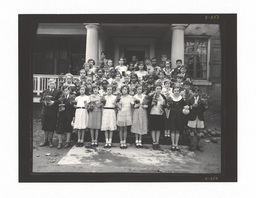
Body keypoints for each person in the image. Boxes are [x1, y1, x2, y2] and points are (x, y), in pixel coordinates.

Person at [39, 79, 61, 148]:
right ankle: (45, 140)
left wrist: (53, 102)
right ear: (48, 84)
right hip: (45, 111)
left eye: (54, 83)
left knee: (51, 126)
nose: (52, 85)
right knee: (45, 126)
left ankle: (50, 140)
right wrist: (44, 102)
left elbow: (60, 100)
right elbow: (41, 100)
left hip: (53, 111)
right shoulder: (45, 91)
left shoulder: (58, 92)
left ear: (55, 84)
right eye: (51, 83)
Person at [187, 87, 208, 152]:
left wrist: (205, 105)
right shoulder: (190, 99)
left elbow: (204, 109)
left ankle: (198, 145)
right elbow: (187, 107)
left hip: (199, 116)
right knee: (192, 131)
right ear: (192, 92)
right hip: (192, 116)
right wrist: (191, 106)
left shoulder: (202, 99)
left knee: (199, 131)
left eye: (197, 92)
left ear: (199, 92)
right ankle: (192, 145)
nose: (195, 94)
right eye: (194, 92)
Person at [168, 85, 187, 151]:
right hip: (172, 116)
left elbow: (185, 106)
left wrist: (186, 108)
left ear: (179, 92)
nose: (176, 92)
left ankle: (176, 144)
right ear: (173, 91)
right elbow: (168, 106)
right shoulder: (170, 98)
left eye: (177, 91)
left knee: (178, 130)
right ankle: (173, 144)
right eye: (175, 91)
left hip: (179, 116)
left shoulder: (181, 99)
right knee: (173, 129)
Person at [147, 84, 167, 150]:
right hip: (152, 113)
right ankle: (154, 142)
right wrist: (152, 103)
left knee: (158, 128)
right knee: (153, 128)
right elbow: (148, 105)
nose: (158, 90)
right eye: (157, 89)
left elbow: (165, 105)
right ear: (155, 89)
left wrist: (163, 103)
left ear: (161, 89)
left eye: (159, 89)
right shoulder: (152, 96)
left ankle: (157, 142)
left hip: (159, 113)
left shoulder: (163, 96)